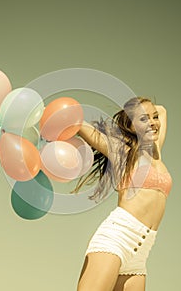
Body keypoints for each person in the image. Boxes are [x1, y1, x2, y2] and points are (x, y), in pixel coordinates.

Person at [74, 97, 172, 291]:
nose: (153, 122)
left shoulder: (156, 151)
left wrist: (145, 113)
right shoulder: (122, 152)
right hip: (117, 239)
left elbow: (162, 110)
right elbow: (79, 125)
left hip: (141, 253)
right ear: (131, 126)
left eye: (154, 118)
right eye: (144, 119)